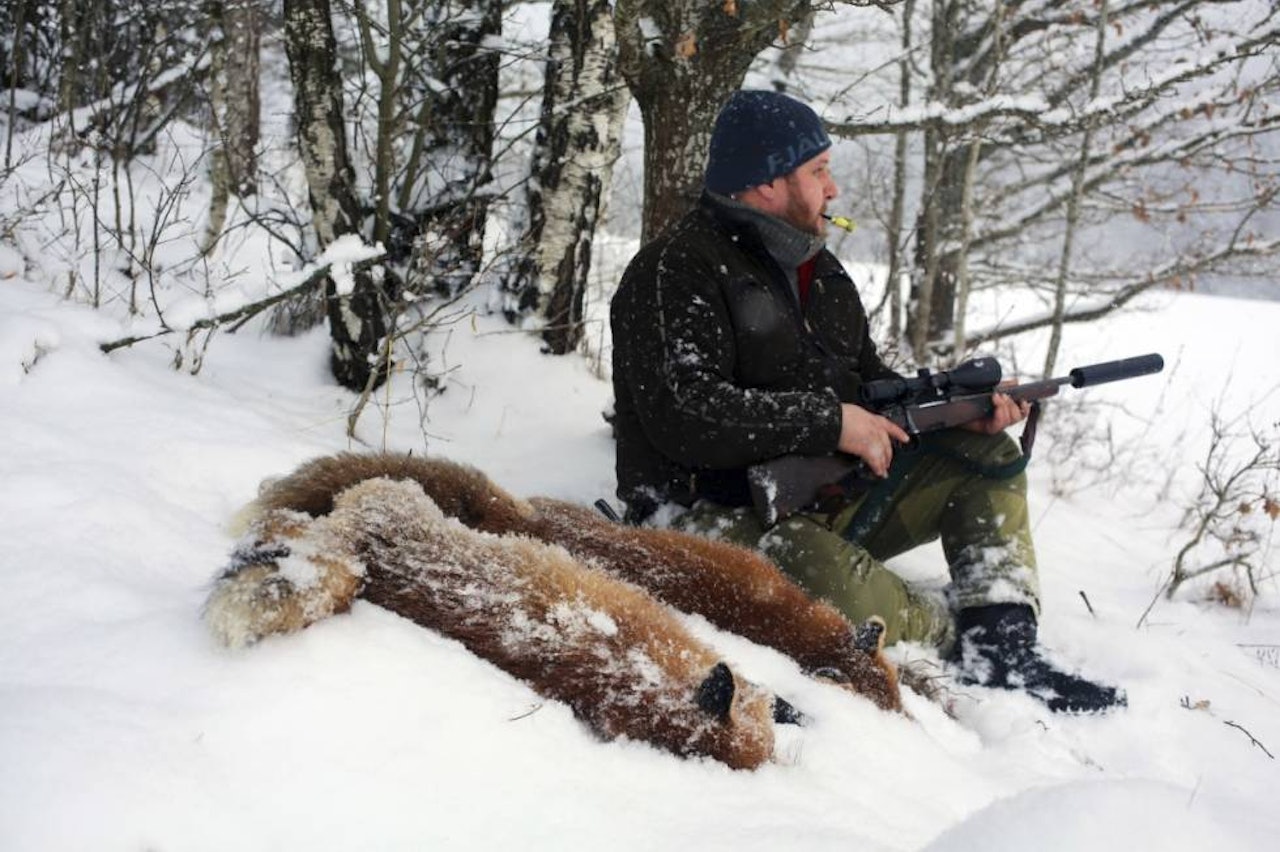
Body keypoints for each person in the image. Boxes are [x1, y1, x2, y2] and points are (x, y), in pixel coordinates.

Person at [609, 89, 1123, 713]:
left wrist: (961, 406)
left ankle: (1004, 646)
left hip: (824, 493)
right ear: (768, 183)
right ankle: (947, 630)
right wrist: (830, 424)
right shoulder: (672, 271)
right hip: (697, 517)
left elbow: (866, 384)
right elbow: (684, 415)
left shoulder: (821, 271)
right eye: (819, 171)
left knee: (983, 454)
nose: (834, 189)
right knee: (829, 588)